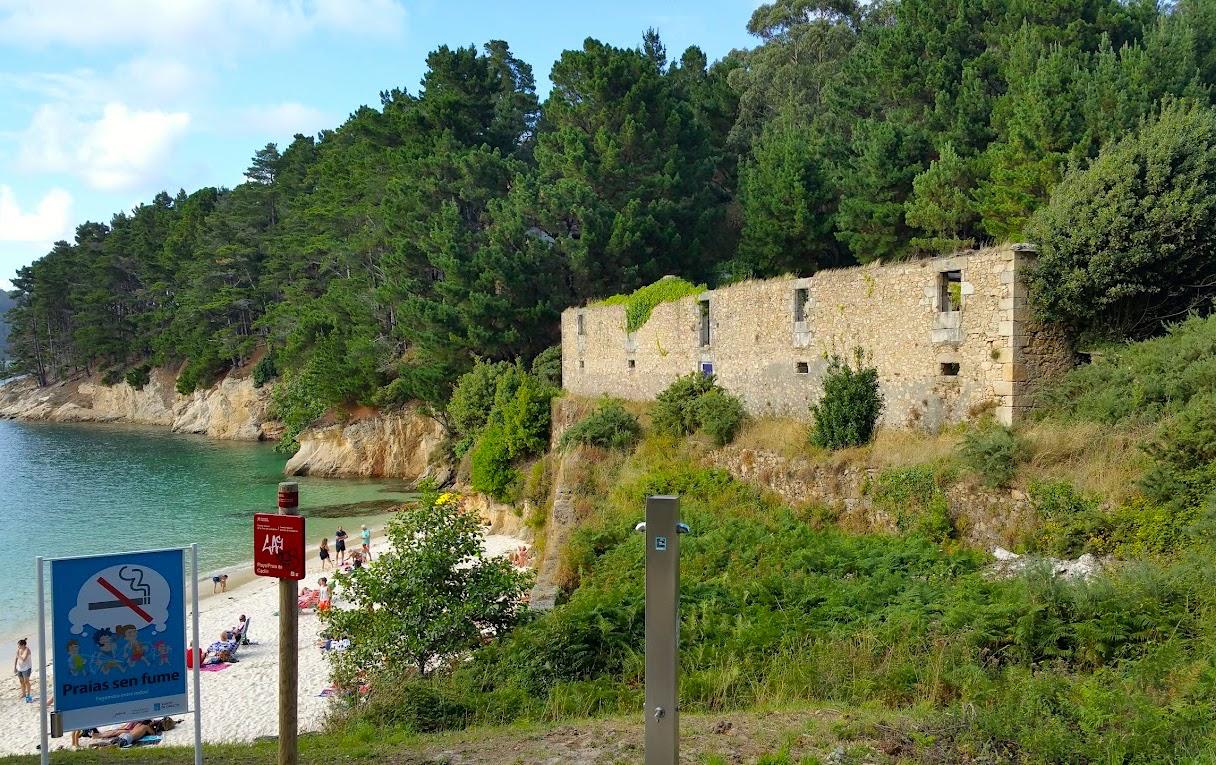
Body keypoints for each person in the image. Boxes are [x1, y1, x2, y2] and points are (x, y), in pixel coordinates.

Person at [13, 638, 32, 703]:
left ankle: (28, 695)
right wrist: (15, 667)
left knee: (26, 681)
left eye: (19, 645)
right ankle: (24, 693)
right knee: (21, 681)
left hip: (26, 668)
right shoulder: (19, 649)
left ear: (23, 645)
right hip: (19, 668)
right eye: (18, 645)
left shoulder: (27, 650)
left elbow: (23, 659)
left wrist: (18, 655)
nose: (18, 647)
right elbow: (16, 659)